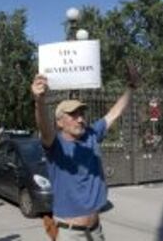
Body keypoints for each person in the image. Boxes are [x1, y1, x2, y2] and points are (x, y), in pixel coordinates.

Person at [31, 66, 138, 241]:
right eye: (73, 115)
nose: (80, 119)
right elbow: (44, 128)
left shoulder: (91, 134)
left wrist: (131, 88)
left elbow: (114, 113)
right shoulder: (55, 145)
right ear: (59, 122)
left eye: (81, 114)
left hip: (95, 231)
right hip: (69, 233)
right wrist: (39, 101)